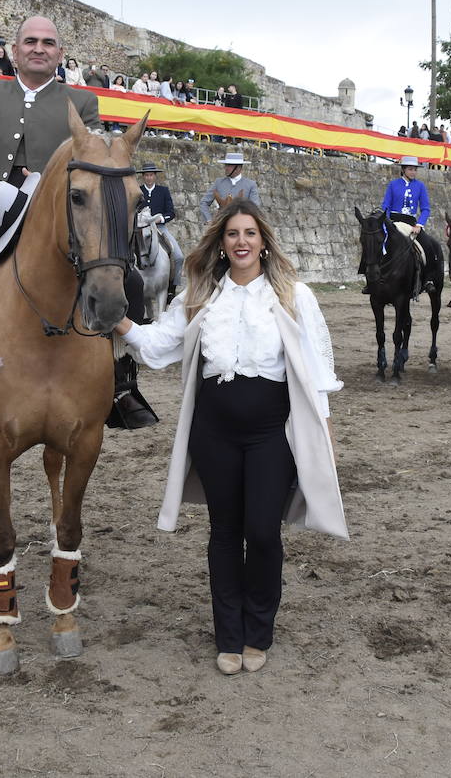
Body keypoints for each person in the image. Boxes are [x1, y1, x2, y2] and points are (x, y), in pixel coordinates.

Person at [113, 199, 346, 675]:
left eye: (250, 233)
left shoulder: (293, 296)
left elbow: (317, 369)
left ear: (263, 243)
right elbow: (159, 345)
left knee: (262, 532)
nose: (241, 241)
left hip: (269, 434)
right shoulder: (201, 295)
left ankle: (259, 630)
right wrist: (118, 322)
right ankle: (230, 635)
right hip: (214, 433)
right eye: (233, 234)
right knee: (225, 532)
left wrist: (324, 431)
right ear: (221, 243)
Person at [0, 14, 157, 437]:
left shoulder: (81, 102)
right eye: (30, 41)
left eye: (48, 43)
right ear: (15, 50)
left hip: (57, 216)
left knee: (128, 283)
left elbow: (95, 156)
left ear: (59, 54)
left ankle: (121, 384)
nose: (38, 48)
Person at [369, 154, 439, 296]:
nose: (413, 172)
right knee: (373, 244)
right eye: (410, 169)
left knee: (429, 245)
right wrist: (387, 224)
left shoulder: (420, 186)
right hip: (393, 222)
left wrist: (419, 225)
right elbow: (386, 206)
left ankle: (428, 280)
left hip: (411, 224)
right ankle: (370, 281)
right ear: (403, 169)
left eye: (415, 169)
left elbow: (425, 208)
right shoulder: (393, 184)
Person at [138, 164, 185, 299]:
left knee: (178, 256)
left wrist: (161, 219)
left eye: (151, 175)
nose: (149, 178)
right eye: (146, 175)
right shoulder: (138, 191)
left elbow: (171, 212)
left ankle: (172, 287)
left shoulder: (163, 191)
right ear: (143, 177)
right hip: (141, 230)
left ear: (155, 176)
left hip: (160, 228)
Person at [200, 152, 261, 223]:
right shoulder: (218, 182)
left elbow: (255, 207)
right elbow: (204, 202)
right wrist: (209, 220)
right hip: (221, 225)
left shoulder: (251, 185)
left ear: (238, 167)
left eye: (229, 165)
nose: (226, 168)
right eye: (226, 165)